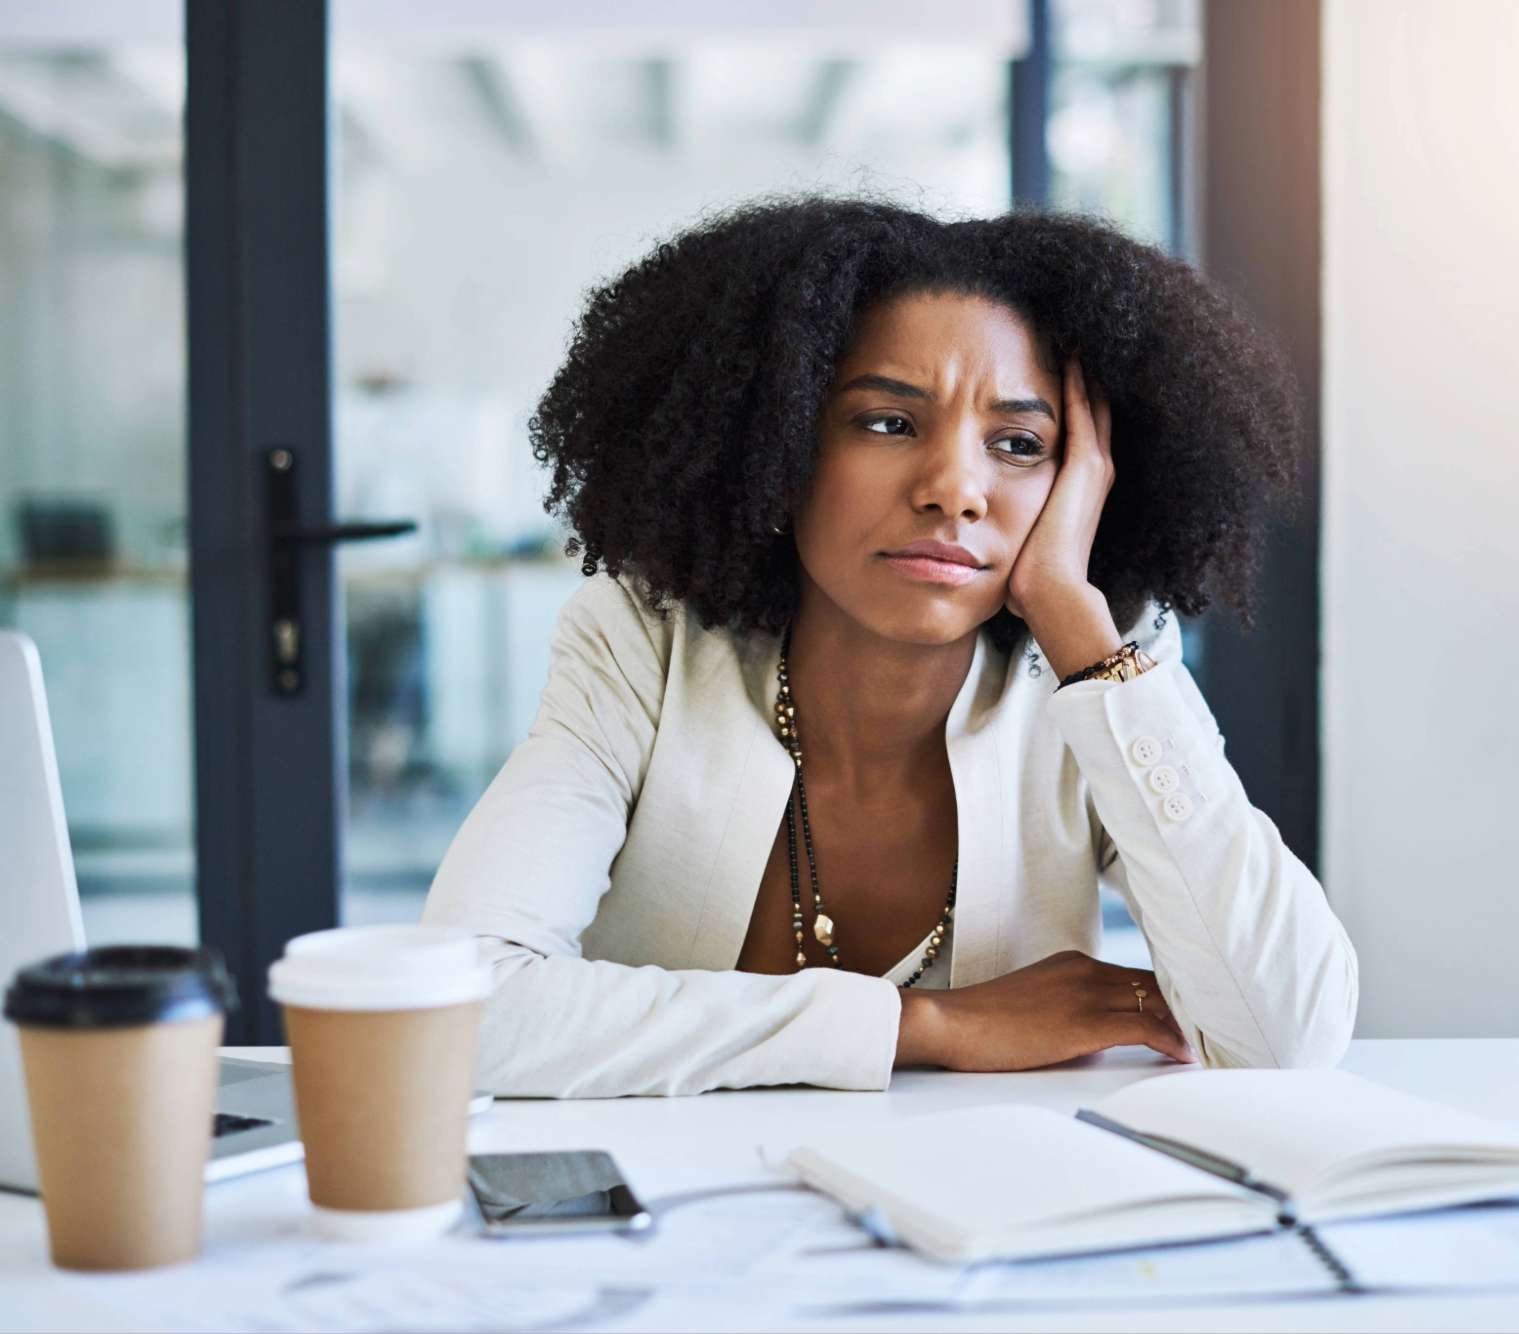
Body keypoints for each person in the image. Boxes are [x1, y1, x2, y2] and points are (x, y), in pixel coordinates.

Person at [421, 194, 1359, 1096]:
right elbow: (456, 1009)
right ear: (777, 443)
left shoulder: (1097, 679)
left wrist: (1081, 633)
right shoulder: (643, 644)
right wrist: (925, 1026)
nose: (955, 488)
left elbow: (1286, 1036)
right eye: (887, 422)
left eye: (1021, 444)